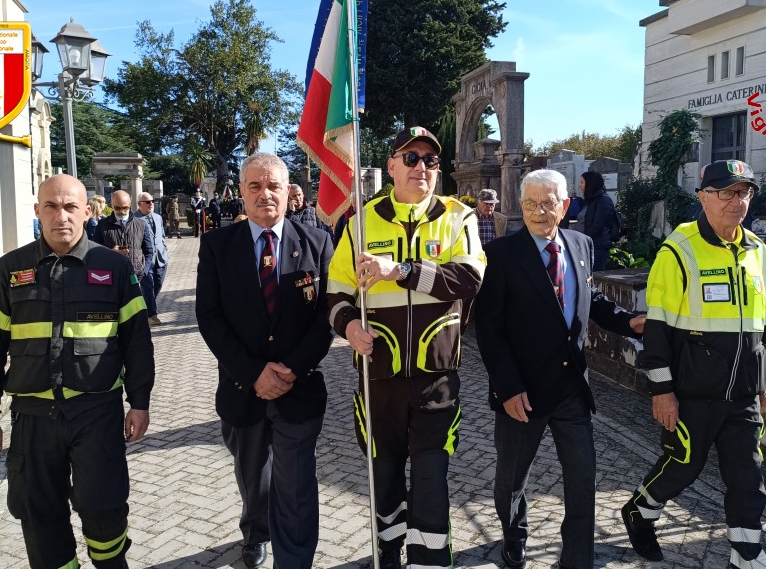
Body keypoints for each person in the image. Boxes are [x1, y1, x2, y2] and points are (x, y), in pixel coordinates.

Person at [0, 174, 154, 569]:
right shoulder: (9, 270)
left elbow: (137, 342)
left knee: (103, 509)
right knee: (38, 514)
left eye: (70, 207)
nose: (61, 216)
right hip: (33, 418)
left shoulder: (115, 268)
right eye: (51, 206)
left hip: (96, 414)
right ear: (38, 212)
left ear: (87, 212)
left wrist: (140, 402)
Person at [327, 126, 486, 569]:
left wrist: (402, 270)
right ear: (391, 165)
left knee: (432, 479)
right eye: (411, 158)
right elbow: (336, 292)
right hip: (377, 377)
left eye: (430, 160)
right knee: (385, 477)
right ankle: (388, 552)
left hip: (436, 380)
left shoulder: (460, 217)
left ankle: (430, 561)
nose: (422, 167)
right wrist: (348, 324)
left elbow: (469, 280)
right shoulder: (361, 222)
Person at [475, 169, 644, 569]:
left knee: (583, 481)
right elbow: (490, 331)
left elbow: (592, 296)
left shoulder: (580, 243)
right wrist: (507, 387)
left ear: (565, 206)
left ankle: (576, 558)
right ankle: (514, 534)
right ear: (520, 205)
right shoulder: (501, 255)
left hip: (572, 388)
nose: (537, 212)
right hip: (523, 393)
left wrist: (629, 321)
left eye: (547, 203)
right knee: (511, 482)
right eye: (529, 203)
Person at [620, 159, 766, 569]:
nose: (737, 201)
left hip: (742, 392)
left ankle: (747, 554)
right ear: (703, 197)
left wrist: (764, 381)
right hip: (694, 391)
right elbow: (658, 329)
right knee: (682, 467)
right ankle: (640, 510)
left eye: (744, 192)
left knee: (748, 478)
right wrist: (662, 391)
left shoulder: (759, 252)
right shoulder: (679, 250)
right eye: (726, 192)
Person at [196, 152, 334, 569]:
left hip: (299, 387)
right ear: (241, 192)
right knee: (253, 478)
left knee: (296, 486)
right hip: (243, 389)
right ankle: (256, 531)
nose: (265, 194)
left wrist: (290, 370)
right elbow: (210, 317)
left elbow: (328, 315)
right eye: (255, 186)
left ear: (289, 191)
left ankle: (293, 561)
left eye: (273, 185)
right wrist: (254, 373)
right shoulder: (218, 245)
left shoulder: (318, 242)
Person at [94, 191, 155, 287]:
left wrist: (144, 271)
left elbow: (149, 251)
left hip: (136, 277)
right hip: (112, 277)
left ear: (130, 204)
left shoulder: (141, 224)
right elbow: (95, 252)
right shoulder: (102, 225)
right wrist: (111, 253)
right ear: (112, 205)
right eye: (117, 208)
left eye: (125, 208)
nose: (122, 211)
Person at [572, 170, 619, 271]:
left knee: (594, 278)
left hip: (596, 247)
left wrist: (581, 240)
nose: (580, 186)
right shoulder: (589, 201)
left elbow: (597, 227)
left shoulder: (603, 200)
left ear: (590, 183)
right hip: (584, 245)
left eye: (582, 182)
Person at [135, 192, 169, 326]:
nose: (151, 204)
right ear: (139, 205)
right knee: (148, 287)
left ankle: (144, 308)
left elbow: (162, 237)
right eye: (147, 202)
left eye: (152, 201)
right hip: (144, 260)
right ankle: (151, 315)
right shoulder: (134, 219)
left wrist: (165, 251)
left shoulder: (158, 217)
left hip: (161, 258)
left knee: (158, 284)